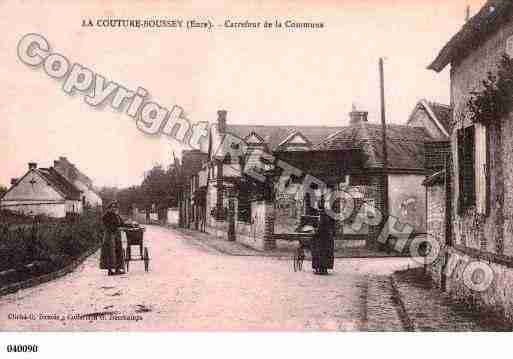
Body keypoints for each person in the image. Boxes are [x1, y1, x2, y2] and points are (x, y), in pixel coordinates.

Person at [99, 201, 125, 276]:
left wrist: (129, 224)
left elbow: (122, 223)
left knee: (118, 250)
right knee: (110, 252)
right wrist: (115, 228)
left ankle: (117, 269)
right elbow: (107, 225)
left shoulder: (117, 215)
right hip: (109, 235)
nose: (114, 209)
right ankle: (110, 270)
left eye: (115, 207)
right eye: (112, 207)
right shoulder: (106, 216)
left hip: (116, 235)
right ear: (109, 208)